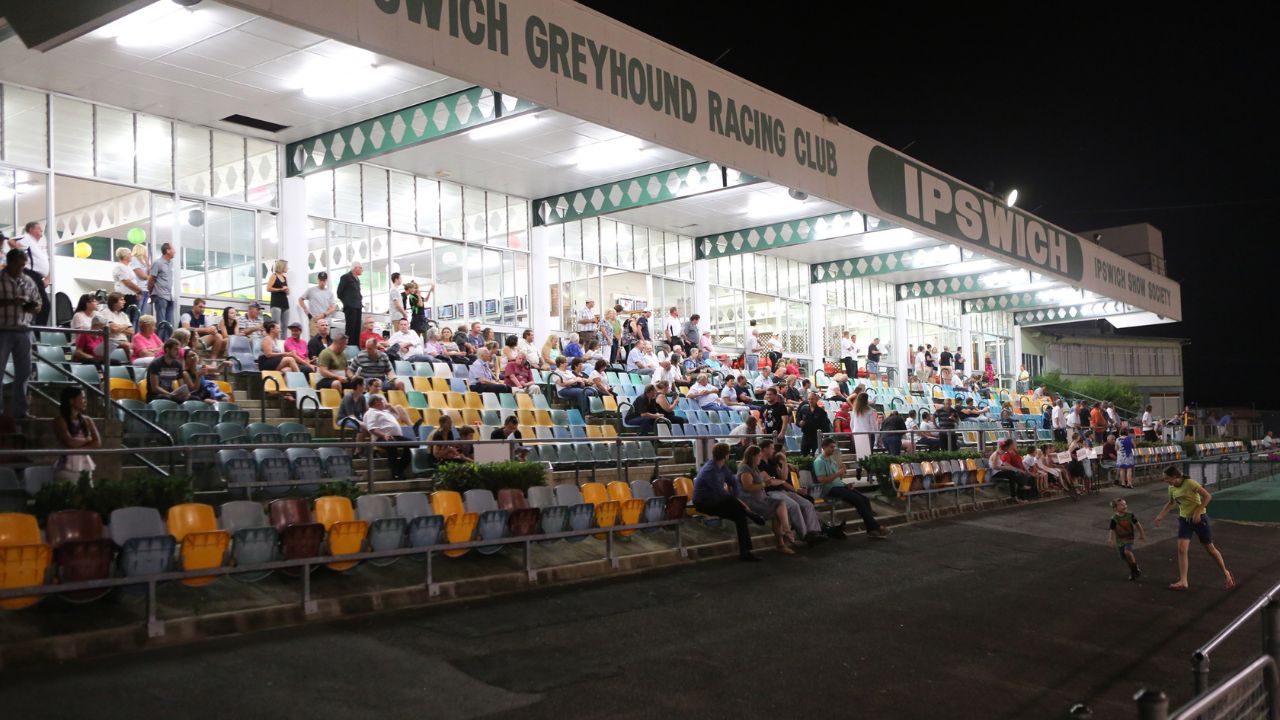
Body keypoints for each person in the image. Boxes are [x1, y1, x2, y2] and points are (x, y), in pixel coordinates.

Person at [1154, 467, 1235, 591]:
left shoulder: (1190, 483)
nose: (1166, 481)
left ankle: (1226, 573)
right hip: (1184, 520)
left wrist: (1198, 512)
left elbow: (1207, 496)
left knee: (1210, 548)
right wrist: (1160, 516)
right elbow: (1171, 503)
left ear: (1175, 476)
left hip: (1200, 519)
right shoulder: (1171, 488)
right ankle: (1183, 581)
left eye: (1167, 478)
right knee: (1182, 548)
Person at [692, 443, 763, 561]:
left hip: (717, 500)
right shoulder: (710, 470)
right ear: (726, 456)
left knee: (740, 516)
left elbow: (733, 482)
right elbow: (721, 493)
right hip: (704, 503)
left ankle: (745, 552)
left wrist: (737, 498)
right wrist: (741, 503)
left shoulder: (722, 467)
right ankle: (750, 514)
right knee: (734, 504)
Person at [812, 438, 891, 538]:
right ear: (824, 447)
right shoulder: (819, 461)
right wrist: (838, 474)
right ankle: (876, 527)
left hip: (838, 486)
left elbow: (837, 479)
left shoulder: (832, 460)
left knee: (865, 499)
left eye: (834, 447)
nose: (833, 449)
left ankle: (871, 528)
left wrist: (844, 482)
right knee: (858, 500)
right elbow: (822, 480)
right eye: (831, 447)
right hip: (829, 489)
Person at [758, 442, 826, 545]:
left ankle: (815, 532)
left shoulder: (772, 462)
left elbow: (783, 477)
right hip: (771, 492)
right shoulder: (759, 464)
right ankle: (805, 535)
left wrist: (784, 461)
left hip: (782, 490)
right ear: (764, 449)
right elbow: (770, 481)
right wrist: (780, 481)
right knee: (794, 506)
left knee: (807, 504)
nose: (773, 450)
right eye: (771, 448)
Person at [736, 445, 795, 555]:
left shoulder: (754, 467)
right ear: (753, 456)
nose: (760, 457)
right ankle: (783, 539)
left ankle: (785, 533)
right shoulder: (745, 469)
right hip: (752, 501)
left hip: (761, 498)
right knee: (778, 511)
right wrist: (764, 484)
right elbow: (748, 487)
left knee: (780, 504)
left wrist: (767, 482)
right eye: (758, 455)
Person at [53, 387, 101, 482]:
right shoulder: (60, 420)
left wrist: (77, 450)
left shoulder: (87, 420)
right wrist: (87, 439)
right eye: (82, 398)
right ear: (71, 400)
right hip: (66, 468)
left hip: (85, 466)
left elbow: (97, 443)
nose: (85, 401)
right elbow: (70, 442)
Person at [8, 221, 51, 327]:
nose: (41, 230)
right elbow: (11, 240)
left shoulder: (39, 246)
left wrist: (47, 278)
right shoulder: (26, 238)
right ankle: (39, 330)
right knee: (43, 304)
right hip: (31, 274)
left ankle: (38, 328)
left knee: (40, 304)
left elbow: (47, 263)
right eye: (38, 228)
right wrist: (18, 248)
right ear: (31, 230)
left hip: (38, 277)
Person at [363, 394, 410, 479]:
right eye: (382, 401)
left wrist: (391, 407)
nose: (384, 403)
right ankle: (395, 474)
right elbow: (372, 429)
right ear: (377, 402)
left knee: (414, 444)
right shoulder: (371, 413)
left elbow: (397, 416)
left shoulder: (385, 411)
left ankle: (399, 468)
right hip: (381, 438)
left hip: (396, 436)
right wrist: (384, 435)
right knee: (392, 447)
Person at [1108, 498, 1146, 581]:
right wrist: (1110, 539)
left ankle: (1135, 567)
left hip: (1129, 538)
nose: (1125, 506)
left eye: (1125, 504)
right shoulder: (1114, 518)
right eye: (1122, 505)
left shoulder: (1130, 515)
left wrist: (1142, 534)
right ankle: (1133, 571)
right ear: (1115, 508)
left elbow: (1138, 524)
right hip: (1120, 541)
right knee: (1125, 558)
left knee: (1127, 552)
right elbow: (1112, 529)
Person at [147, 242, 176, 340]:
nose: (175, 251)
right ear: (167, 251)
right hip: (160, 296)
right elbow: (151, 280)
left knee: (170, 324)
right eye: (173, 249)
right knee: (162, 323)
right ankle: (160, 343)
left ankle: (168, 343)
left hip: (170, 296)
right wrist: (151, 294)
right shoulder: (158, 263)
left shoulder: (171, 263)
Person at [299, 271, 338, 336]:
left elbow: (333, 307)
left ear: (326, 280)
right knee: (314, 339)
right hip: (315, 321)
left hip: (326, 322)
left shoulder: (330, 293)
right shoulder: (311, 290)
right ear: (318, 280)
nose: (322, 282)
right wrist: (306, 310)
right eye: (320, 280)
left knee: (325, 340)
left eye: (324, 280)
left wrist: (324, 314)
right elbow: (300, 299)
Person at [97, 292, 134, 357]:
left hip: (124, 341)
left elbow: (131, 332)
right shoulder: (106, 312)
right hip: (111, 341)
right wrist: (125, 326)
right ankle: (131, 363)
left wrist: (118, 327)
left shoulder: (123, 315)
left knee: (137, 346)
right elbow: (114, 329)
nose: (124, 302)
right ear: (114, 302)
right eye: (122, 300)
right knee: (128, 345)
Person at [113, 247, 144, 320]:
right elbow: (127, 282)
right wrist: (139, 290)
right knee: (125, 317)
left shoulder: (128, 267)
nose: (131, 256)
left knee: (132, 318)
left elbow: (132, 281)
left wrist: (137, 292)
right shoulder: (120, 267)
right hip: (124, 296)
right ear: (125, 256)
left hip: (131, 295)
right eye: (129, 254)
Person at [337, 262, 363, 341]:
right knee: (350, 329)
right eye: (360, 268)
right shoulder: (345, 277)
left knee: (357, 329)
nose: (362, 270)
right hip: (350, 307)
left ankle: (355, 346)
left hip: (358, 306)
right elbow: (339, 293)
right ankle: (349, 346)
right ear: (355, 268)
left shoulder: (357, 279)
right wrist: (347, 303)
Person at [267, 259, 291, 329]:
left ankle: (284, 337)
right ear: (282, 266)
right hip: (276, 304)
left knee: (285, 326)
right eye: (286, 266)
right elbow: (268, 288)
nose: (287, 268)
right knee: (275, 326)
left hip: (285, 304)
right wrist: (280, 289)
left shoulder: (285, 278)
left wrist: (287, 290)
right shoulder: (274, 276)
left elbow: (288, 293)